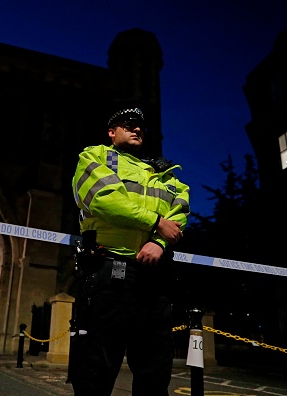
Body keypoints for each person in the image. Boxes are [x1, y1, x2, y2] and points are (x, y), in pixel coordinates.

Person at [69, 104, 190, 396]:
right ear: (112, 133)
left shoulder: (166, 172)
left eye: (141, 126)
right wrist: (155, 222)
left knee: (155, 369)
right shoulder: (95, 156)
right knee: (98, 366)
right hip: (110, 273)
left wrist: (159, 242)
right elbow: (102, 199)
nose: (137, 128)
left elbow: (181, 210)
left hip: (154, 278)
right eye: (128, 124)